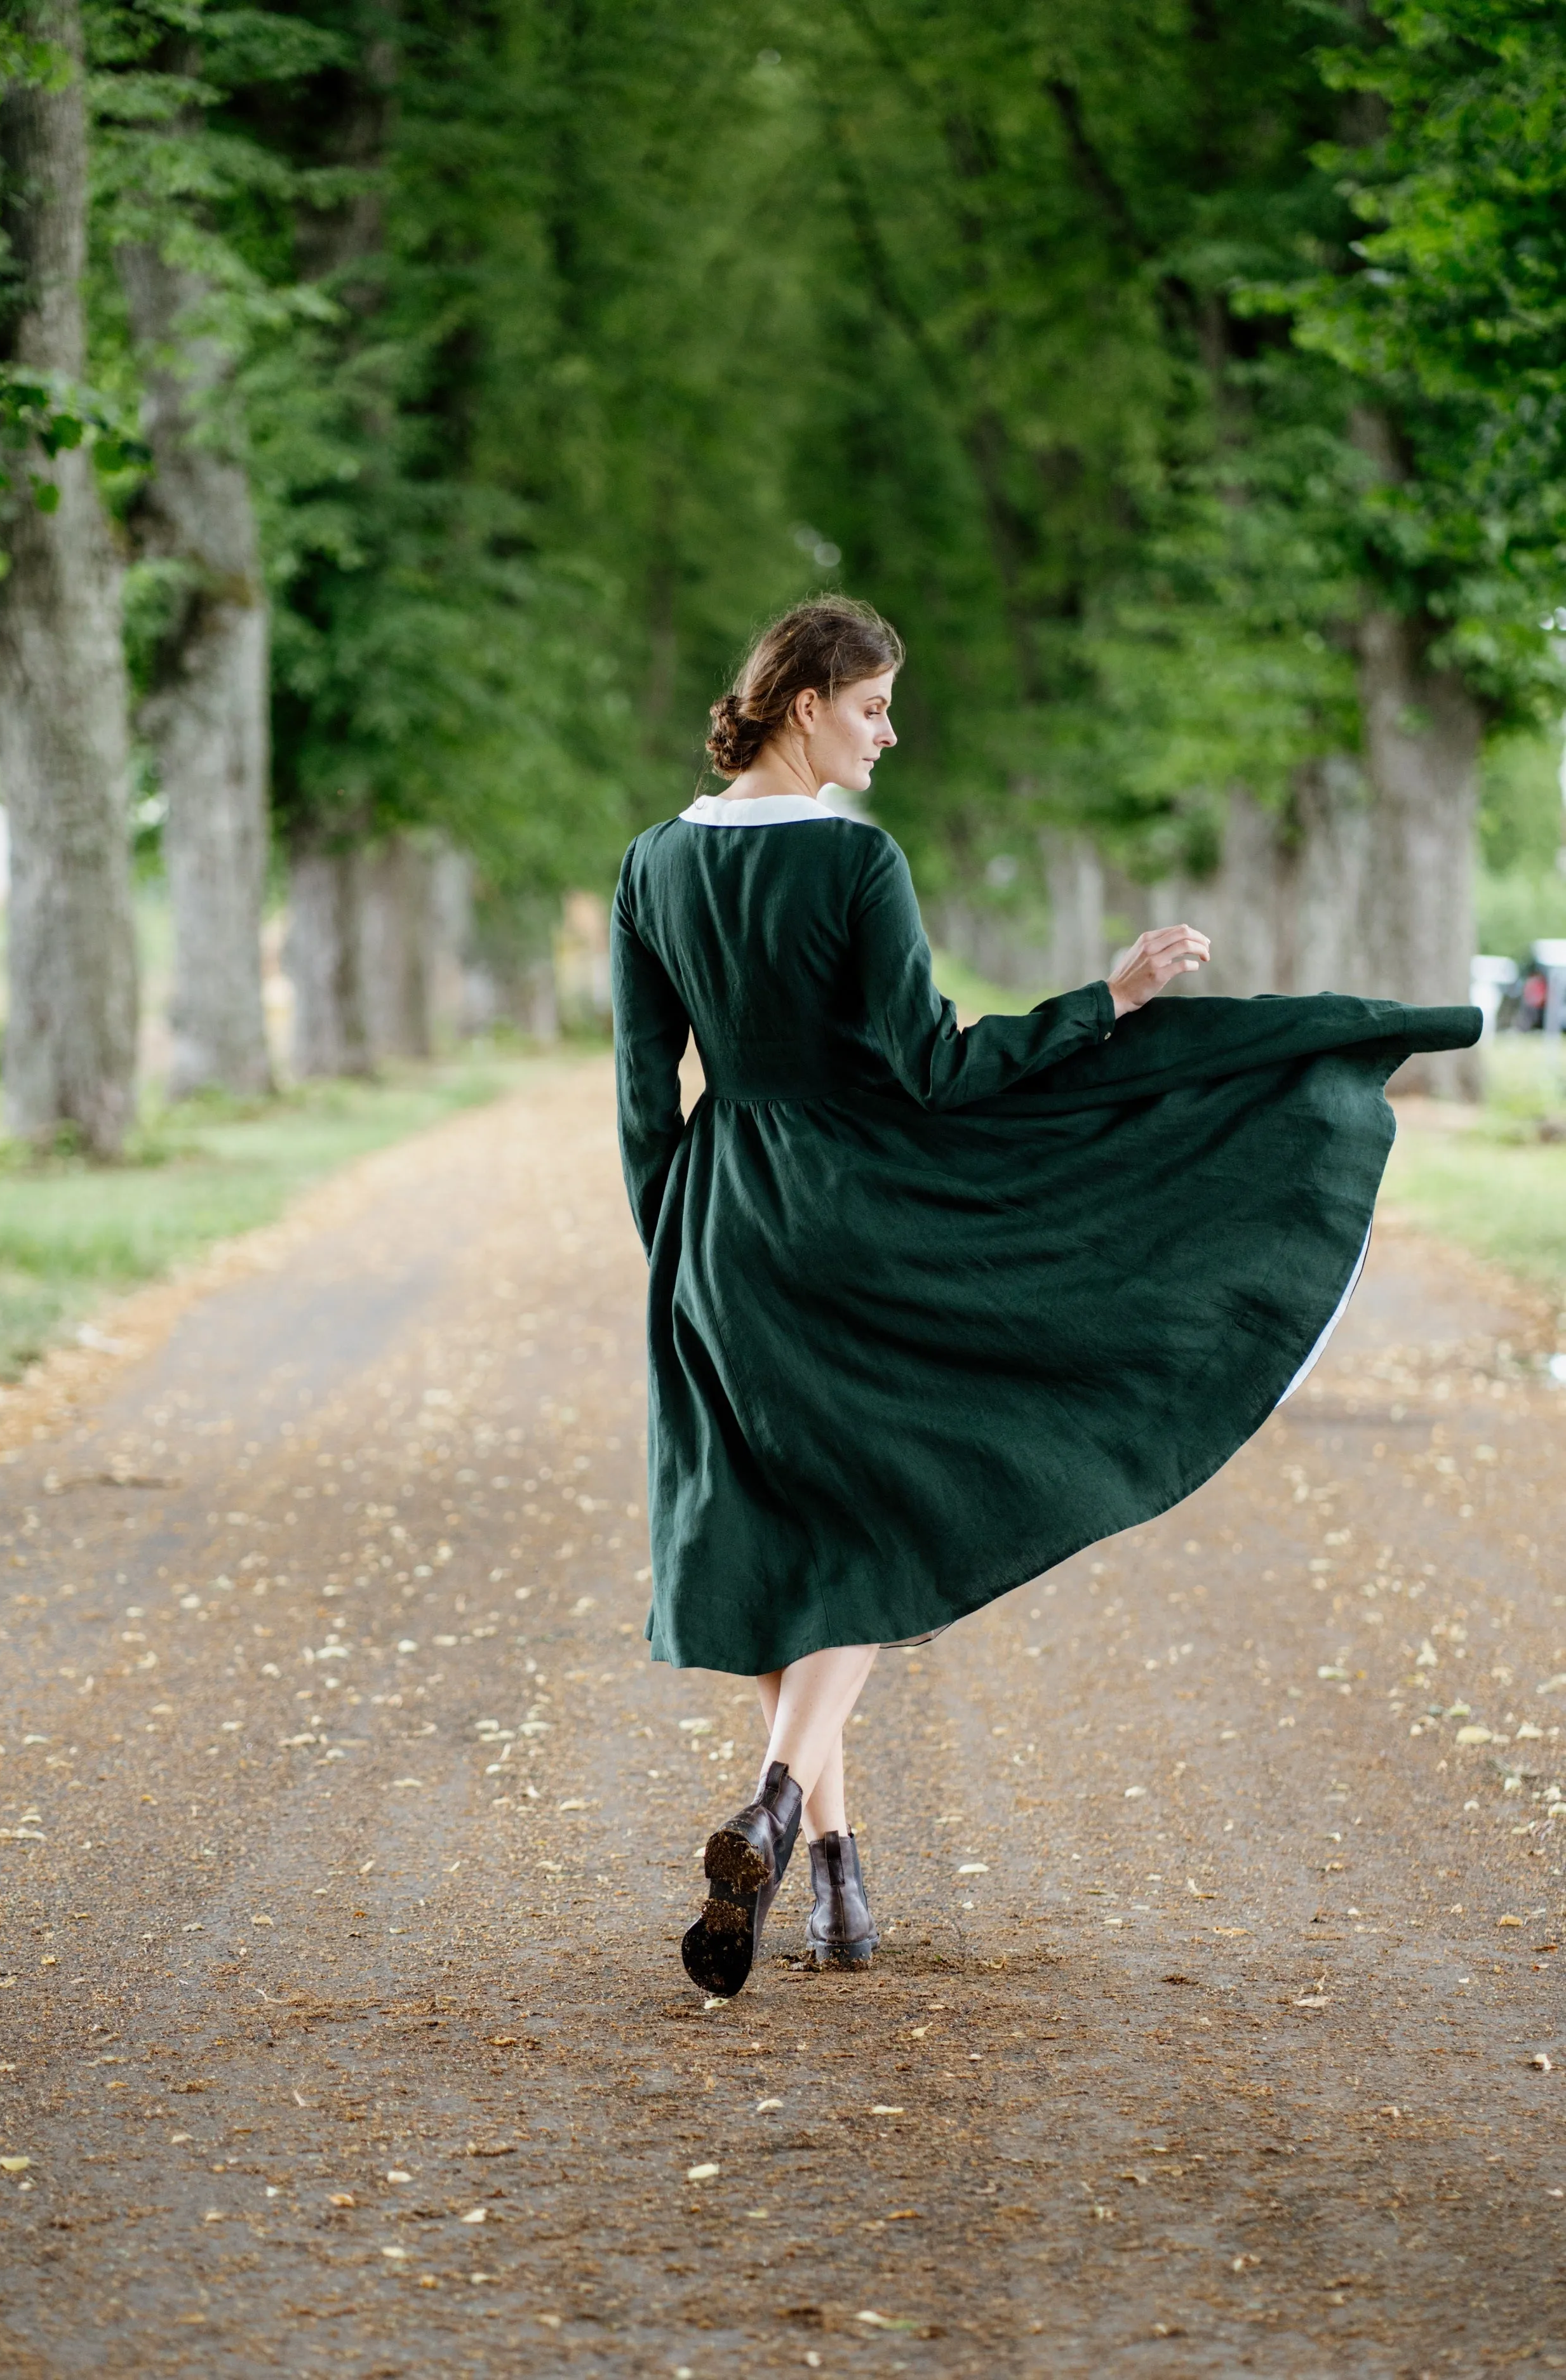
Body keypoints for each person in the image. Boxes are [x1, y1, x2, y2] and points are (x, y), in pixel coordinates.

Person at [610, 597, 1479, 1998]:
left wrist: (673, 1239)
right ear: (805, 703)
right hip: (857, 1209)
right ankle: (773, 1809)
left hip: (720, 1222)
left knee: (791, 1523)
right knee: (876, 1521)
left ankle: (833, 1878)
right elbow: (934, 1067)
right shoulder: (853, 860)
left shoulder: (650, 864)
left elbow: (643, 1093)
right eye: (874, 706)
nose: (889, 733)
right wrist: (1108, 1002)